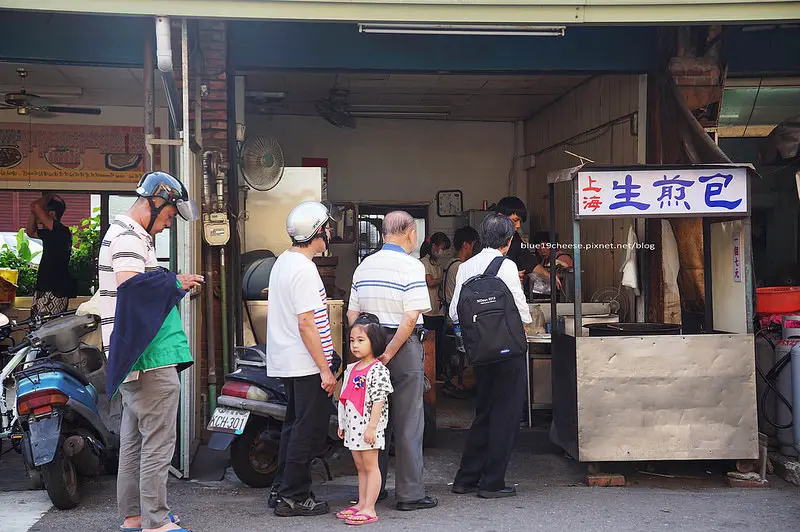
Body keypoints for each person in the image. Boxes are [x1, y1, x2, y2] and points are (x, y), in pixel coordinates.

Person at [99, 171, 202, 532]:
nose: (166, 225)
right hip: (150, 357)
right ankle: (156, 522)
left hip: (132, 357)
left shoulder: (125, 234)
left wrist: (172, 280)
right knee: (158, 443)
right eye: (170, 216)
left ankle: (134, 516)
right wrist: (173, 280)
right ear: (156, 202)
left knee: (133, 442)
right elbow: (132, 287)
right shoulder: (129, 238)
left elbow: (139, 285)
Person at [347, 210, 438, 512]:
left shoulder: (364, 266)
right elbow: (411, 317)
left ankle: (376, 488)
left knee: (374, 419)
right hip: (403, 346)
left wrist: (368, 351)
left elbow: (352, 315)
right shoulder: (411, 267)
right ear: (410, 232)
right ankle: (410, 495)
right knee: (408, 420)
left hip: (370, 343)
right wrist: (389, 352)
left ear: (385, 233)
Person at [448, 213, 532, 499]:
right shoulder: (506, 265)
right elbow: (521, 312)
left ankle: (466, 478)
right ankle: (492, 482)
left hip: (480, 352)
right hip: (508, 352)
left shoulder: (465, 266)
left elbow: (453, 312)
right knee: (506, 415)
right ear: (508, 242)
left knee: (484, 413)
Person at [267, 200, 338, 518]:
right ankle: (293, 496)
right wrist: (325, 368)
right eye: (327, 226)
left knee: (294, 427)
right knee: (307, 431)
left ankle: (281, 488)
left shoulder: (284, 261)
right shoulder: (305, 269)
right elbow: (307, 322)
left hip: (290, 360)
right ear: (317, 231)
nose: (330, 232)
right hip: (307, 362)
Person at [336, 312, 394, 526]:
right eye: (352, 340)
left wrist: (372, 427)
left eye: (361, 340)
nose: (355, 345)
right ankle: (361, 503)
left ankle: (370, 507)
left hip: (369, 428)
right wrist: (342, 424)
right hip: (353, 427)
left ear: (375, 342)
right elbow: (345, 399)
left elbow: (379, 401)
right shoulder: (351, 369)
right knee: (360, 466)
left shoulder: (377, 370)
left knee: (371, 466)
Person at [440, 226, 480, 398]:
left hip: (448, 314)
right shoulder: (460, 267)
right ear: (466, 245)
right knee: (466, 354)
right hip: (456, 318)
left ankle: (458, 382)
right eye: (473, 245)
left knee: (458, 354)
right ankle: (458, 383)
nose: (473, 249)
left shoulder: (449, 263)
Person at [26, 194, 76, 317]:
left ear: (52, 213)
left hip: (54, 289)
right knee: (38, 327)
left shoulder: (60, 230)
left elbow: (36, 206)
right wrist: (33, 213)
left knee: (47, 329)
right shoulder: (51, 233)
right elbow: (30, 233)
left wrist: (48, 196)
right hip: (46, 287)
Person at [419, 232, 451, 380]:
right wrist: (445, 278)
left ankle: (437, 372)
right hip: (428, 311)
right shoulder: (424, 263)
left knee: (440, 345)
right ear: (433, 247)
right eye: (442, 248)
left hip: (438, 310)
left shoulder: (436, 263)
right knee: (429, 345)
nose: (442, 252)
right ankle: (429, 373)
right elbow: (430, 281)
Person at [494, 196, 539, 285]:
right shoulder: (487, 239)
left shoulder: (515, 237)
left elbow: (528, 260)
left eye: (520, 221)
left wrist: (549, 275)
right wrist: (510, 276)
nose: (518, 225)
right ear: (500, 217)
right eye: (515, 220)